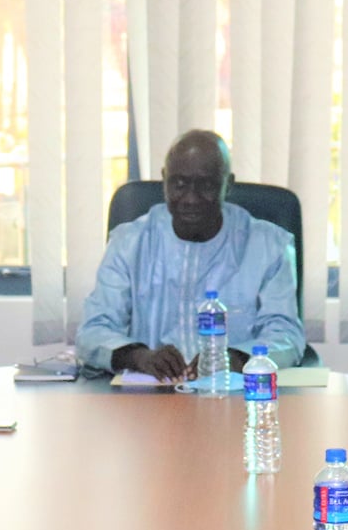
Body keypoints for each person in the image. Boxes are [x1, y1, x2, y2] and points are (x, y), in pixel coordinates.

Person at [76, 129, 305, 377]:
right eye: (179, 184)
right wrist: (138, 356)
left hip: (234, 390)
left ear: (228, 185)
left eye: (206, 186)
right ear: (164, 181)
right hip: (149, 390)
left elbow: (286, 335)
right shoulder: (129, 243)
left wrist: (236, 358)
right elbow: (92, 331)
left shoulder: (269, 246)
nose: (191, 199)